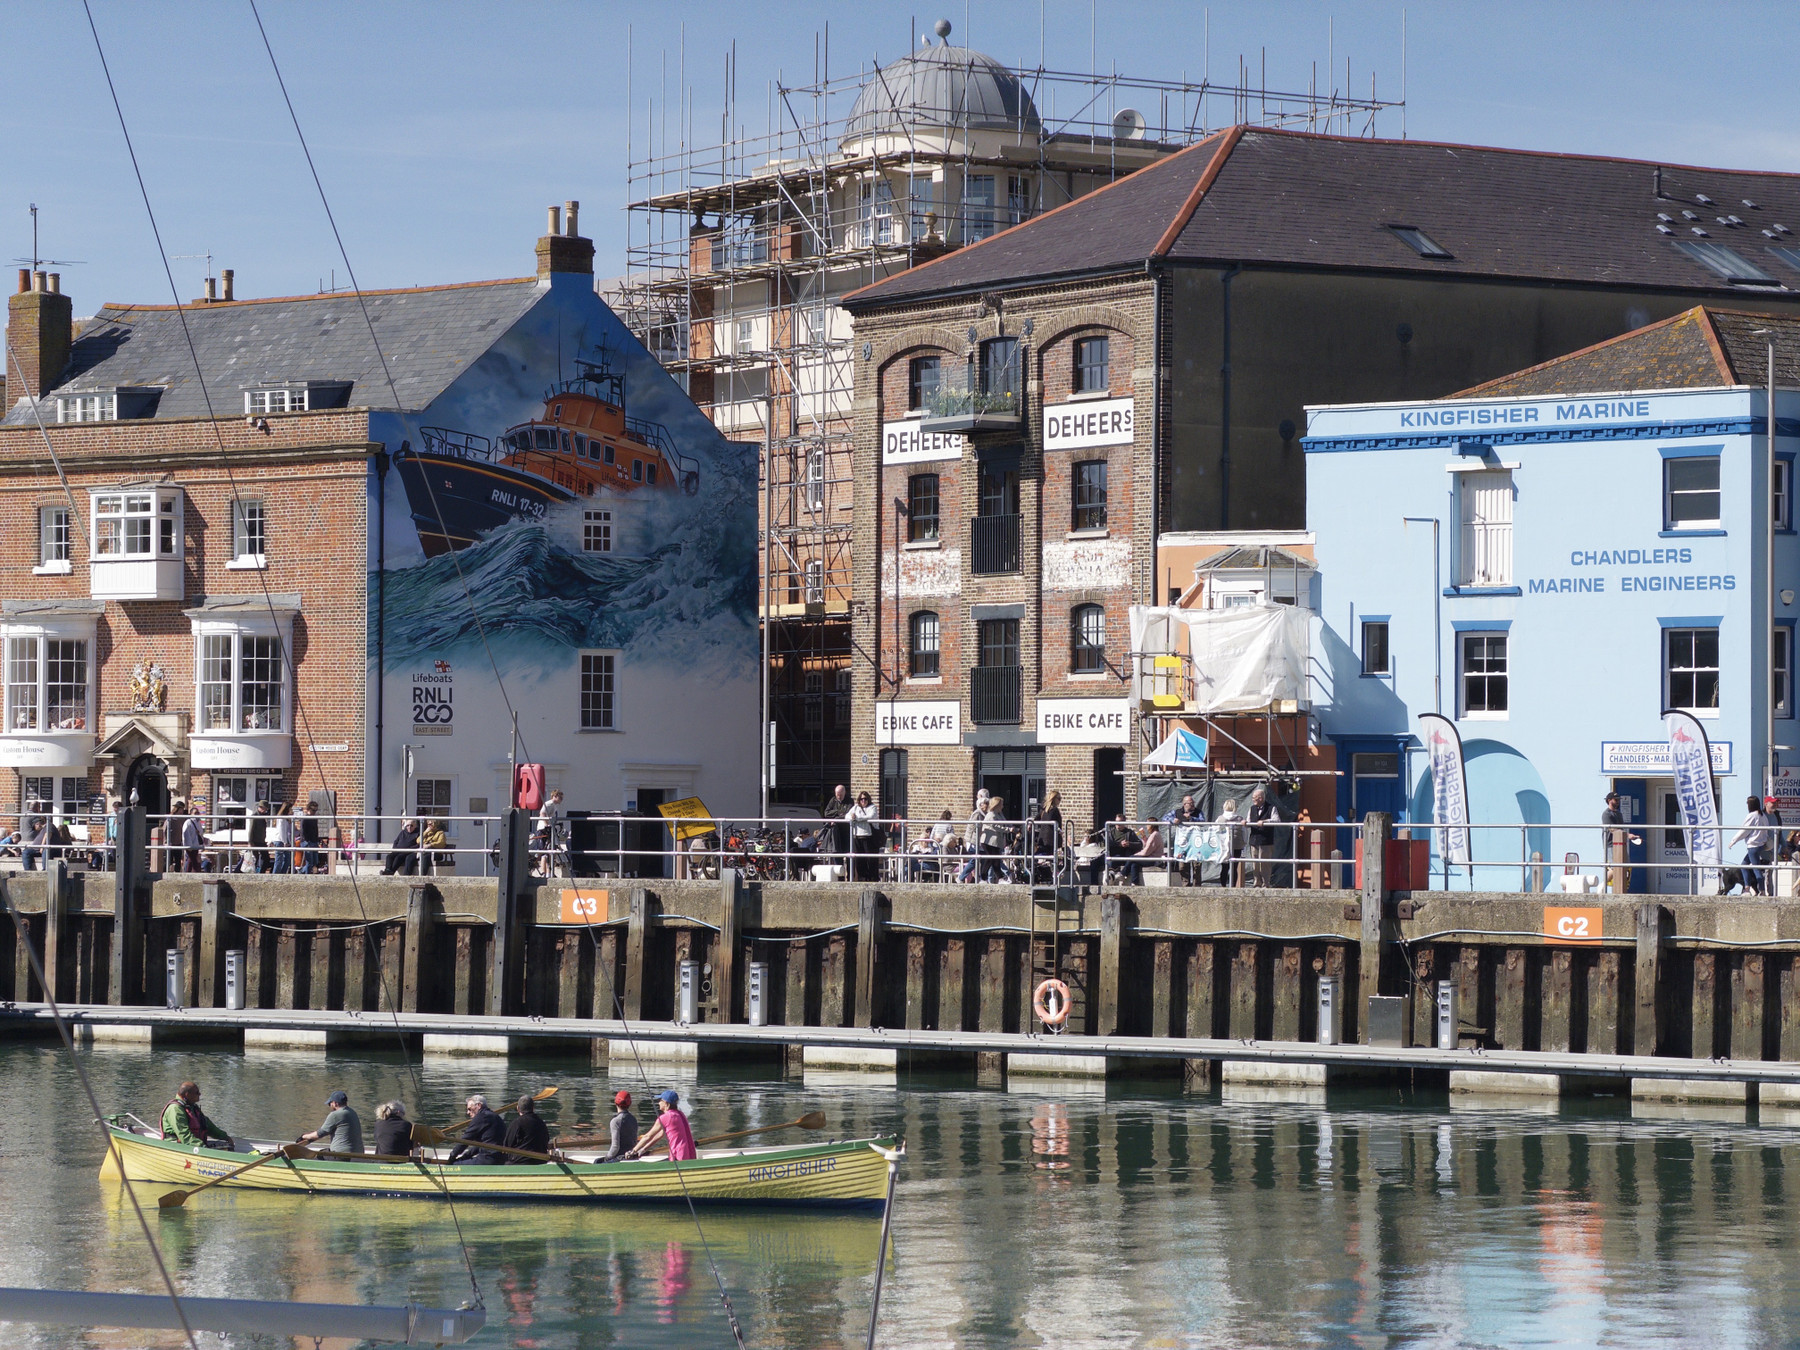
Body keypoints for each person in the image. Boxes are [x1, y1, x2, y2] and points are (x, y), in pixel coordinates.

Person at [625, 1089, 697, 1162]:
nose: (658, 1102)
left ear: (666, 1104)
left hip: (678, 1157)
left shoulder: (666, 1117)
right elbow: (660, 1135)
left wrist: (633, 1151)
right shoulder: (680, 1114)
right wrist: (643, 1149)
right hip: (689, 1154)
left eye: (660, 1100)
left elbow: (648, 1136)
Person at [160, 1080, 233, 1150]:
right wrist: (203, 1148)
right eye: (197, 1093)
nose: (200, 1094)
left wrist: (225, 1137)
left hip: (194, 1144)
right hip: (176, 1145)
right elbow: (184, 1135)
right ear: (187, 1094)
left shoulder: (192, 1107)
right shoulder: (175, 1109)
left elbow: (208, 1126)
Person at [1732, 795, 1782, 896]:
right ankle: (1748, 889)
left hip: (1754, 845)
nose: (1774, 804)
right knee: (1745, 866)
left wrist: (1733, 841)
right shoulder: (1762, 815)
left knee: (1756, 869)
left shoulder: (1753, 815)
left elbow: (1744, 830)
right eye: (1772, 802)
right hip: (1762, 845)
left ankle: (1759, 891)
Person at [1601, 792, 1643, 895]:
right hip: (1611, 844)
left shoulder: (1619, 814)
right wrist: (1628, 835)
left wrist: (1629, 836)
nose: (1618, 802)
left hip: (1621, 843)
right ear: (1609, 801)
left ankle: (1621, 890)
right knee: (1615, 867)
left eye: (1618, 800)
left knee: (1624, 866)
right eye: (1616, 800)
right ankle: (1602, 886)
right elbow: (1612, 829)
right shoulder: (1606, 814)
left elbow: (1621, 829)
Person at [446, 1094, 506, 1164]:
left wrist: (451, 1157)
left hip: (487, 1159)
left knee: (454, 1165)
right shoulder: (495, 1117)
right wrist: (465, 1156)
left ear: (479, 1106)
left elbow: (465, 1141)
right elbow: (480, 1145)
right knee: (462, 1160)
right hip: (500, 1158)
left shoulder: (481, 1117)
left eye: (469, 1109)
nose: (468, 1113)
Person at [300, 1089, 365, 1154]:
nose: (330, 1105)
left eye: (330, 1103)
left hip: (341, 1155)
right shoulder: (352, 1112)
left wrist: (304, 1136)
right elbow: (326, 1132)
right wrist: (309, 1139)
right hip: (359, 1152)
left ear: (335, 1103)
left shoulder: (335, 1115)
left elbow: (321, 1133)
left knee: (313, 1157)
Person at [1246, 786, 1284, 887]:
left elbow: (1277, 821)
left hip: (1266, 840)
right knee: (1255, 862)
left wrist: (1265, 821)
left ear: (1261, 798)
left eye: (1254, 798)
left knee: (1265, 863)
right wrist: (1245, 823)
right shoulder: (1252, 808)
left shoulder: (1271, 808)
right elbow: (1249, 820)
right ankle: (1256, 881)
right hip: (1254, 840)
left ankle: (1266, 883)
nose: (1253, 800)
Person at [503, 1094, 552, 1160]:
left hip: (519, 1162)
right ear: (533, 1108)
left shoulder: (516, 1123)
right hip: (540, 1161)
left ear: (518, 1108)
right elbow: (546, 1141)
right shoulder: (541, 1123)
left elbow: (506, 1146)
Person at [847, 790, 879, 881]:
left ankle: (873, 879)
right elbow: (847, 816)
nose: (863, 801)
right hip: (857, 836)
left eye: (865, 799)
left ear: (868, 799)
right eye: (861, 799)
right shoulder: (856, 807)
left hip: (869, 836)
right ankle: (862, 879)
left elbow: (870, 816)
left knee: (871, 859)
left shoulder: (872, 807)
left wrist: (856, 818)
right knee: (859, 860)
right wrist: (851, 817)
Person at [1032, 790, 1064, 881]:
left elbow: (1036, 819)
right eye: (1059, 798)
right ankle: (1054, 875)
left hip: (1043, 837)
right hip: (1051, 838)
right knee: (1050, 858)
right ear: (1054, 799)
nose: (1060, 801)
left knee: (1043, 857)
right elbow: (1050, 821)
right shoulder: (1054, 810)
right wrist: (1058, 830)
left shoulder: (1044, 809)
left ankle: (1048, 876)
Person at [600, 1090, 639, 1163]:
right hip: (631, 1156)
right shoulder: (633, 1119)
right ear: (629, 1103)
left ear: (615, 1103)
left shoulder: (615, 1121)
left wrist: (607, 1157)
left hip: (620, 1158)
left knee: (597, 1161)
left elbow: (615, 1147)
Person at [821, 784, 852, 873]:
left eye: (840, 794)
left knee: (848, 854)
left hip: (846, 832)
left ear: (844, 793)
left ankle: (850, 876)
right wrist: (838, 812)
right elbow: (826, 813)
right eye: (837, 794)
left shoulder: (850, 801)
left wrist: (835, 818)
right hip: (835, 832)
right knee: (836, 853)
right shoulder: (833, 800)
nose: (838, 796)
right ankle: (840, 876)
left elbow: (847, 814)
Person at [1215, 798, 1245, 887]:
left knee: (1224, 867)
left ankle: (1223, 886)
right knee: (1234, 867)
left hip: (1223, 846)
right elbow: (1244, 833)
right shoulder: (1240, 819)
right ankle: (1232, 886)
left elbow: (1215, 831)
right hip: (1237, 845)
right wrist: (1244, 843)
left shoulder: (1219, 819)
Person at [300, 801, 323, 874]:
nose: (314, 812)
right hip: (307, 841)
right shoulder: (305, 818)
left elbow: (315, 830)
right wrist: (306, 841)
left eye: (316, 810)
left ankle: (300, 871)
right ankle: (305, 875)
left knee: (315, 861)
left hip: (314, 841)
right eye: (313, 810)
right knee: (309, 862)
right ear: (308, 809)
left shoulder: (314, 818)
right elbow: (303, 831)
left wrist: (317, 840)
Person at [270, 802, 294, 875]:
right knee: (279, 859)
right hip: (280, 840)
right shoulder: (281, 818)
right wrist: (285, 842)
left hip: (284, 840)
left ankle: (282, 874)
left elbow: (286, 831)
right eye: (290, 808)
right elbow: (281, 831)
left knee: (287, 859)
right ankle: (275, 875)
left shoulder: (286, 819)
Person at [248, 800, 270, 873]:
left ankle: (261, 872)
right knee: (255, 858)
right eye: (265, 809)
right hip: (255, 840)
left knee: (266, 858)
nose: (265, 811)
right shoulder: (255, 816)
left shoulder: (263, 816)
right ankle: (253, 872)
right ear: (260, 807)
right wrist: (250, 842)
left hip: (261, 841)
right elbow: (251, 829)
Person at [181, 808, 205, 875]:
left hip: (196, 845)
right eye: (195, 813)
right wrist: (189, 846)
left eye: (198, 813)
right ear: (191, 814)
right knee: (191, 861)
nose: (197, 814)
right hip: (191, 846)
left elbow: (200, 834)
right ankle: (187, 874)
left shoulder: (198, 823)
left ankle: (191, 874)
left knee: (193, 861)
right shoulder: (188, 822)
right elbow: (186, 835)